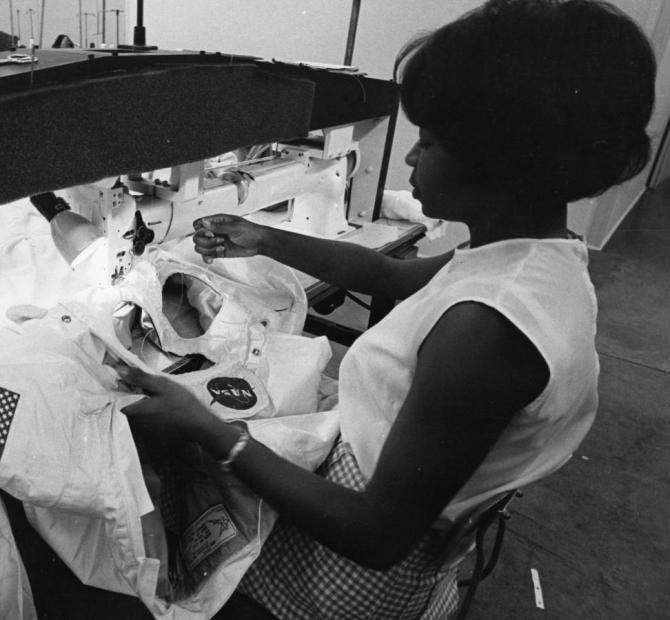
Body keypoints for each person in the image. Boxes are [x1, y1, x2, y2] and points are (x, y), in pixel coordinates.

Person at [121, 1, 656, 618]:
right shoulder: (535, 257)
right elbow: (390, 275)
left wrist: (211, 432)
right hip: (397, 503)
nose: (407, 158)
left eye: (426, 143)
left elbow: (375, 535)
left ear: (498, 164)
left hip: (349, 572)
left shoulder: (489, 331)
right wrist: (263, 236)